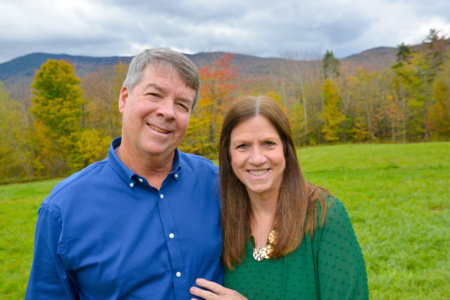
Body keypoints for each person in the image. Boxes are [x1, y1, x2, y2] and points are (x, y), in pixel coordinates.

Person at [25, 48, 223, 299]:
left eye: (181, 104)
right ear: (124, 98)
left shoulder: (216, 184)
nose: (168, 112)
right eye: (154, 95)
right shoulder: (63, 210)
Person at [190, 96, 368, 299]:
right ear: (228, 156)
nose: (257, 158)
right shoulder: (221, 219)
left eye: (268, 144)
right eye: (242, 146)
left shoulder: (325, 216)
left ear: (286, 149)